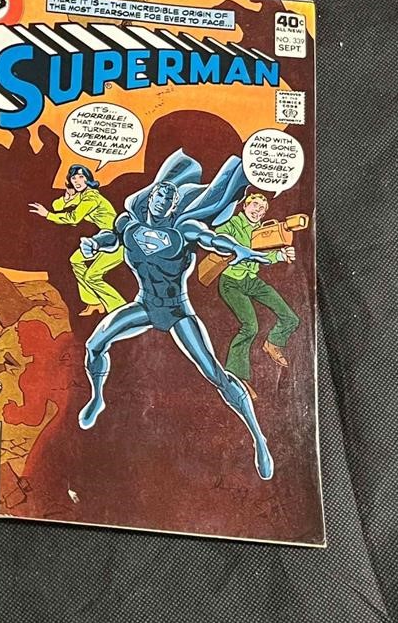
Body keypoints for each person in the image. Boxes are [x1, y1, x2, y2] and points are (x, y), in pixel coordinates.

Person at [76, 151, 276, 480]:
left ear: (174, 206)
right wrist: (94, 244)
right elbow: (111, 237)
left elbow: (212, 239)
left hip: (177, 311)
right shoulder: (129, 225)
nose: (162, 200)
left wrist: (238, 249)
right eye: (159, 194)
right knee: (95, 344)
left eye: (169, 198)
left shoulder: (184, 229)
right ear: (150, 198)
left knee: (215, 373)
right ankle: (97, 398)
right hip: (144, 306)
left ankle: (259, 438)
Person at [213, 190, 300, 394]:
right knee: (250, 327)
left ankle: (273, 342)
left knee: (291, 318)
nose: (258, 211)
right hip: (231, 282)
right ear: (245, 206)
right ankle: (236, 378)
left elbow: (262, 256)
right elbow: (217, 239)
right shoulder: (232, 224)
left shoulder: (263, 230)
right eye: (255, 205)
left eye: (262, 209)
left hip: (251, 280)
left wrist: (281, 255)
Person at [29, 163, 128, 316]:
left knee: (92, 277)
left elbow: (74, 218)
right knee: (75, 260)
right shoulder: (83, 196)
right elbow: (58, 206)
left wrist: (47, 215)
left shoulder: (92, 197)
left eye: (81, 177)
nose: (77, 181)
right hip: (101, 241)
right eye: (73, 178)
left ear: (88, 179)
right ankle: (94, 302)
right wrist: (66, 199)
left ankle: (120, 310)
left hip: (116, 243)